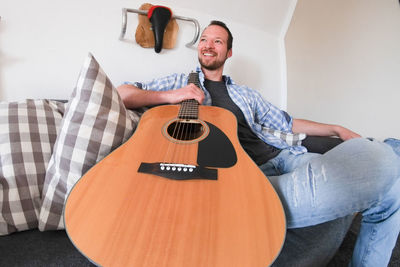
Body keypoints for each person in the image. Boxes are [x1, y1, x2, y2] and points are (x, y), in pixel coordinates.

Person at [117, 20, 400, 266]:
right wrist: (171, 96)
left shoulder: (246, 94)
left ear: (228, 53)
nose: (208, 44)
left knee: (394, 190)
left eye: (217, 41)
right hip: (247, 172)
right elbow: (124, 93)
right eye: (204, 39)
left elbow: (287, 123)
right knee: (384, 165)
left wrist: (337, 129)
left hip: (286, 156)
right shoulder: (180, 81)